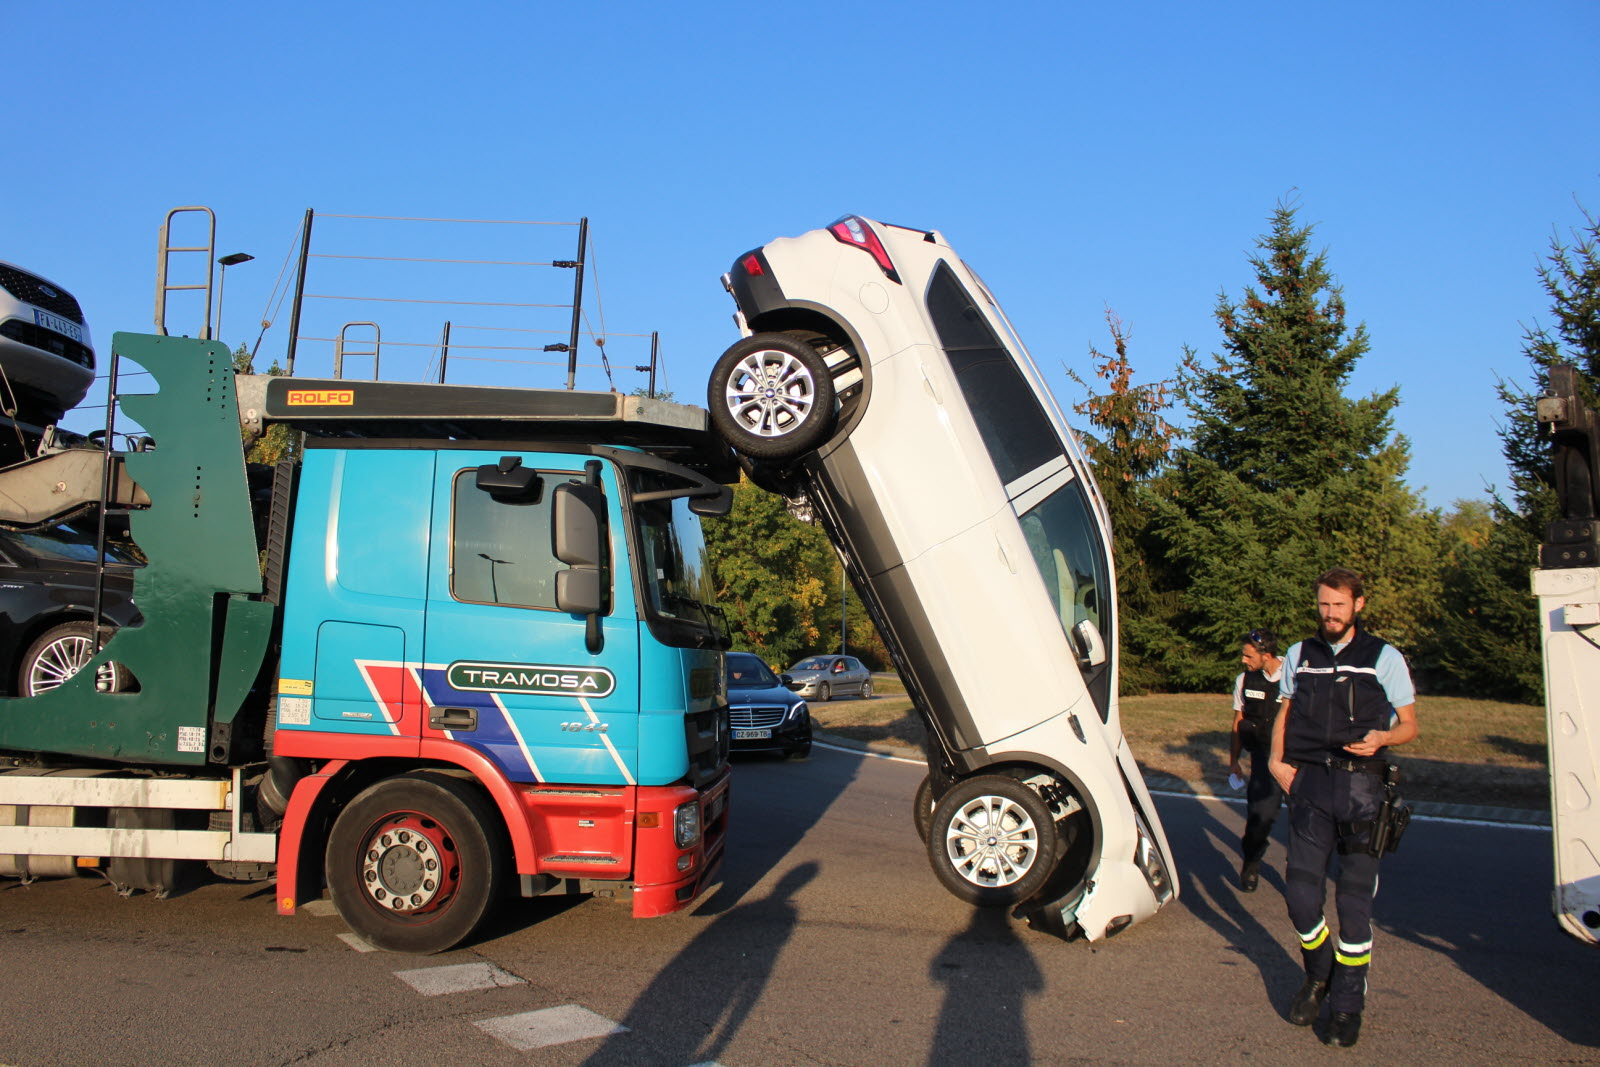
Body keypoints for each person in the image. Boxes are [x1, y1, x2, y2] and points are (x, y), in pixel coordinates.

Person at [1269, 567, 1418, 1049]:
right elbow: (1285, 710)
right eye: (1324, 605)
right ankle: (1319, 976)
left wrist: (1384, 737)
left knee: (1353, 909)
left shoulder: (1383, 656)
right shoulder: (1299, 655)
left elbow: (1410, 725)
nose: (1330, 614)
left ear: (1359, 605)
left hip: (1362, 793)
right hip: (1310, 786)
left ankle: (1348, 1006)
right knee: (1300, 901)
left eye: (1339, 605)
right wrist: (1275, 760)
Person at [1229, 629, 1284, 892]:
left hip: (1298, 760)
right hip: (1263, 758)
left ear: (1267, 655)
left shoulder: (1295, 676)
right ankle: (1251, 860)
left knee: (1309, 824)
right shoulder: (1245, 680)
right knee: (1259, 819)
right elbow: (1238, 722)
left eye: (1248, 655)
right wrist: (1234, 761)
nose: (1243, 660)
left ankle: (1302, 876)